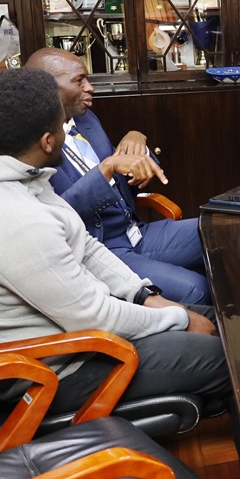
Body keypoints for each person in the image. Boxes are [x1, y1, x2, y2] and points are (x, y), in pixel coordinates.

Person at [0, 66, 240, 479]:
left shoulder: (19, 176)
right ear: (48, 140)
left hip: (82, 334)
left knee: (230, 321)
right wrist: (177, 320)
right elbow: (92, 316)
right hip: (59, 367)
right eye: (61, 125)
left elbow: (87, 248)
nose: (67, 131)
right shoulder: (8, 215)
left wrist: (146, 296)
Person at [25, 47, 209, 305]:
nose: (90, 88)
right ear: (45, 87)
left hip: (137, 233)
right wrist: (107, 168)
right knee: (197, 289)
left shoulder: (86, 120)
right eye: (79, 81)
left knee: (225, 234)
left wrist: (138, 141)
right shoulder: (32, 144)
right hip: (102, 250)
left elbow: (124, 171)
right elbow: (56, 216)